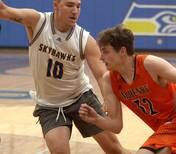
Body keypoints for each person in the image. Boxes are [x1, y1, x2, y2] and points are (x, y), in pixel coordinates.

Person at [0, 1, 129, 154]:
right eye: (69, 5)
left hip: (81, 99)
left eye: (78, 6)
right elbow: (4, 11)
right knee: (60, 152)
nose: (75, 11)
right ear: (56, 5)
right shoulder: (37, 22)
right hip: (50, 106)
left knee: (115, 150)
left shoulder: (84, 39)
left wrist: (108, 100)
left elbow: (102, 75)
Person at [79, 25, 176, 154]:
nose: (101, 58)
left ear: (122, 51)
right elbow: (116, 126)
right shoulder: (109, 80)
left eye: (105, 52)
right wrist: (96, 119)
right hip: (165, 132)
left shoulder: (149, 64)